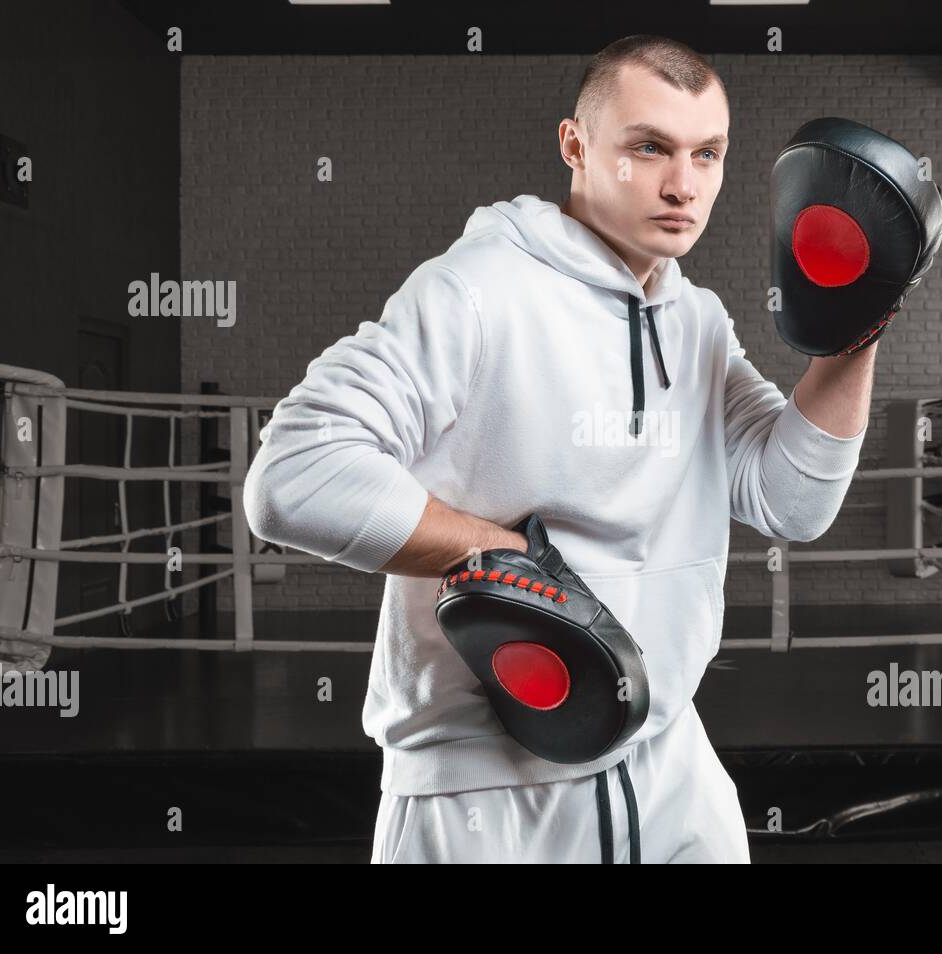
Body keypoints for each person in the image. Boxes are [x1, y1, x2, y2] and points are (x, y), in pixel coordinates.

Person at [243, 34, 874, 863]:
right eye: (648, 148)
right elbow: (291, 477)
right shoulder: (476, 292)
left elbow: (791, 500)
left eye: (707, 154)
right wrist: (510, 560)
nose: (683, 184)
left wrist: (858, 326)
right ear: (576, 145)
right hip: (482, 789)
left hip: (669, 763)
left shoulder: (698, 323)